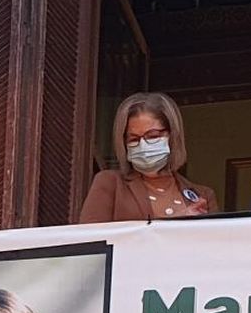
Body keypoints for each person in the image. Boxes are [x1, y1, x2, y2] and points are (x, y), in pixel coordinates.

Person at [79, 91, 216, 222]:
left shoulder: (202, 195)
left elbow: (214, 242)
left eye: (153, 136)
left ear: (173, 136)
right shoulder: (111, 184)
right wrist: (174, 225)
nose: (143, 146)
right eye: (134, 139)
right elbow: (89, 240)